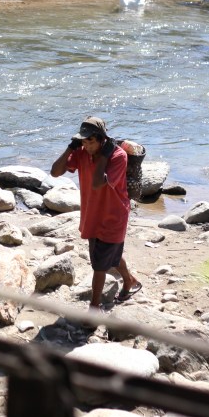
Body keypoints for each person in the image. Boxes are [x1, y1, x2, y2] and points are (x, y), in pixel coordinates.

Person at [50, 115, 142, 310]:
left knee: (99, 264)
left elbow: (98, 182)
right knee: (110, 255)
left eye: (90, 141)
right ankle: (129, 280)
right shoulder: (82, 152)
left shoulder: (118, 156)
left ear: (102, 139)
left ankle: (94, 307)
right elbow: (55, 172)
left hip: (113, 216)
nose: (87, 146)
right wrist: (70, 148)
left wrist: (104, 156)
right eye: (83, 141)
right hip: (92, 215)